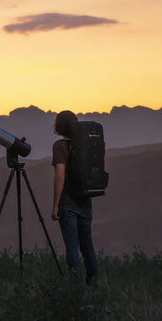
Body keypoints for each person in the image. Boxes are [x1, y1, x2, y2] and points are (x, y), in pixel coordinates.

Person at [51, 110, 99, 285]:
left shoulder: (60, 146)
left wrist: (55, 205)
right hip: (86, 200)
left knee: (71, 247)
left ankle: (75, 288)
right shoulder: (86, 144)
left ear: (59, 126)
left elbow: (60, 177)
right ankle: (93, 283)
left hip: (67, 203)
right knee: (87, 245)